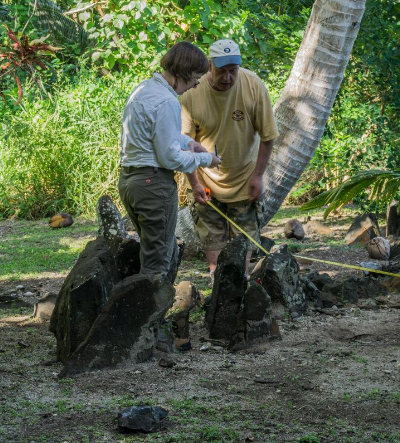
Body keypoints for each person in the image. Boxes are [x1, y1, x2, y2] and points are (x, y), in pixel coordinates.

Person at [118, 42, 221, 279]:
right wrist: (206, 159)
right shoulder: (167, 101)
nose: (196, 84)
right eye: (195, 78)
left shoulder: (143, 90)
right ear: (183, 72)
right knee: (158, 260)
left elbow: (159, 136)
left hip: (130, 180)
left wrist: (189, 144)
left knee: (151, 250)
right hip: (152, 184)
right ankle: (149, 312)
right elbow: (170, 157)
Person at [180, 39, 279, 279]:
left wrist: (258, 176)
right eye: (221, 71)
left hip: (245, 178)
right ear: (210, 66)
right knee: (210, 235)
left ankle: (240, 280)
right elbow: (183, 145)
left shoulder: (253, 85)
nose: (227, 78)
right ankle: (216, 278)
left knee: (244, 238)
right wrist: (194, 184)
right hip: (206, 180)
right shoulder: (192, 90)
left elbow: (268, 137)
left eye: (232, 71)